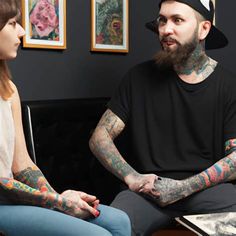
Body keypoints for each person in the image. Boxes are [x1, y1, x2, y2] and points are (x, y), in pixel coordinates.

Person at [89, 0, 236, 235]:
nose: (166, 29)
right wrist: (132, 177)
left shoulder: (229, 86)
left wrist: (183, 188)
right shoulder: (137, 78)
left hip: (206, 192)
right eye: (162, 20)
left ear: (204, 29)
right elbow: (99, 137)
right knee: (109, 227)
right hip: (148, 194)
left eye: (177, 20)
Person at [0, 1, 131, 235]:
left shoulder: (8, 89)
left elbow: (22, 164)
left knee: (120, 221)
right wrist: (58, 203)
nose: (21, 30)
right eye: (12, 24)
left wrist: (60, 199)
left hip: (18, 199)